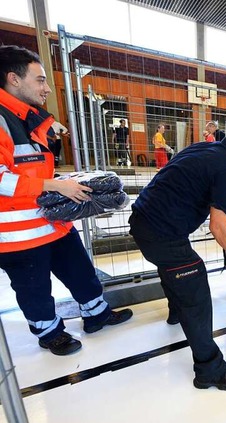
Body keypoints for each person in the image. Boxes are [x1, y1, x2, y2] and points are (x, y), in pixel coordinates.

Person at [0, 45, 133, 356]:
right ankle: (49, 333)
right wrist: (53, 186)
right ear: (13, 79)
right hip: (18, 233)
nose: (47, 88)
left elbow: (29, 167)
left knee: (80, 270)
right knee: (34, 288)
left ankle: (96, 314)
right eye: (41, 80)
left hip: (51, 220)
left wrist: (67, 183)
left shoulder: (27, 118)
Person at [129, 116, 226, 390]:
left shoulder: (205, 148)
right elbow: (218, 225)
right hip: (161, 233)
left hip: (143, 219)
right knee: (196, 291)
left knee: (174, 269)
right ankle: (210, 370)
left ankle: (175, 312)